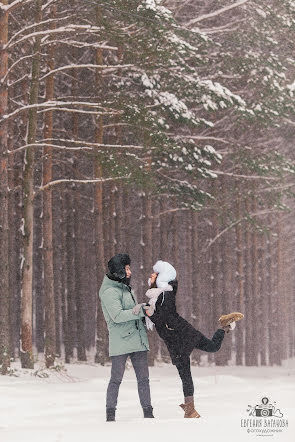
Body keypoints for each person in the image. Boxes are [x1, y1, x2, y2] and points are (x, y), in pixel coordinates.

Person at [142, 260, 244, 419]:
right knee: (211, 347)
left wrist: (149, 313)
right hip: (182, 332)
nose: (151, 275)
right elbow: (156, 318)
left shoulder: (164, 294)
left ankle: (190, 409)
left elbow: (164, 319)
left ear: (161, 277)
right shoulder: (157, 297)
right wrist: (144, 313)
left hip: (178, 337)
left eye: (155, 273)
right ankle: (224, 326)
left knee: (185, 373)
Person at [99, 253, 154, 422]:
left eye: (129, 268)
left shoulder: (124, 288)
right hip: (120, 341)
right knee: (116, 379)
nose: (130, 271)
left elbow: (132, 311)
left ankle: (148, 413)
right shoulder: (109, 291)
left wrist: (144, 312)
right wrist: (137, 311)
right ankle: (110, 414)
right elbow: (116, 316)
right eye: (127, 268)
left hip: (137, 340)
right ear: (119, 270)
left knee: (144, 379)